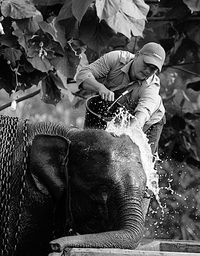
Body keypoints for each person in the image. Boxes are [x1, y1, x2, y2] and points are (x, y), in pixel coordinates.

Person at [75, 42, 166, 156]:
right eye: (146, 64)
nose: (147, 71)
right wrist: (100, 87)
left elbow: (139, 121)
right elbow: (82, 74)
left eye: (153, 69)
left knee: (141, 160)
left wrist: (120, 137)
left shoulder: (151, 87)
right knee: (90, 147)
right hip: (118, 110)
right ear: (137, 55)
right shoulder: (117, 58)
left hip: (149, 122)